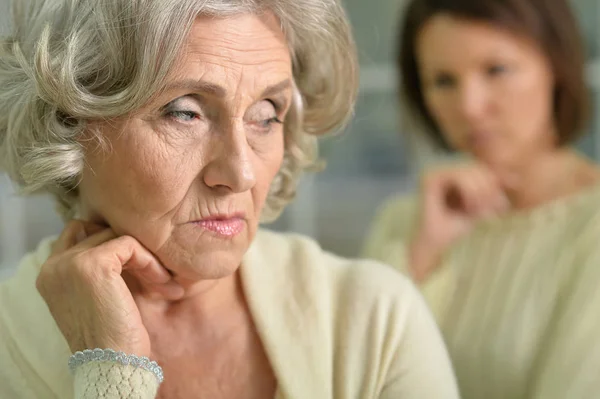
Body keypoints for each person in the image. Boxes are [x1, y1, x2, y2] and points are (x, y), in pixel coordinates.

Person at [0, 0, 460, 398]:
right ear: (68, 120)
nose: (240, 172)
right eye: (185, 113)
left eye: (266, 115)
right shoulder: (9, 347)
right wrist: (112, 370)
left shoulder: (374, 322)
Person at [363, 0, 600, 398]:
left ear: (556, 67)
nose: (470, 107)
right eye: (443, 81)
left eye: (496, 70)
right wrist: (423, 253)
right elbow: (343, 379)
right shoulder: (405, 223)